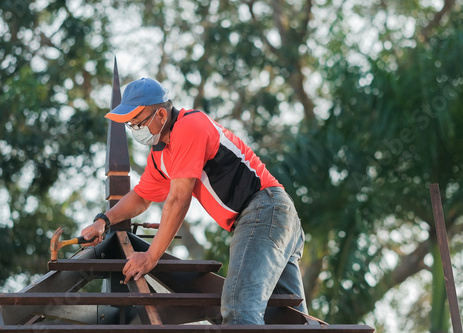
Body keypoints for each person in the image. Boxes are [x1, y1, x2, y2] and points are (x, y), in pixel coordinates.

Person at [81, 77, 307, 324]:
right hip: (275, 217)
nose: (135, 128)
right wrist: (103, 220)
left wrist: (151, 256)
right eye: (131, 124)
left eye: (139, 121)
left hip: (265, 210)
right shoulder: (161, 155)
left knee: (238, 309)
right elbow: (141, 197)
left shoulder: (189, 127)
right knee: (291, 320)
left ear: (160, 115)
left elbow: (179, 199)